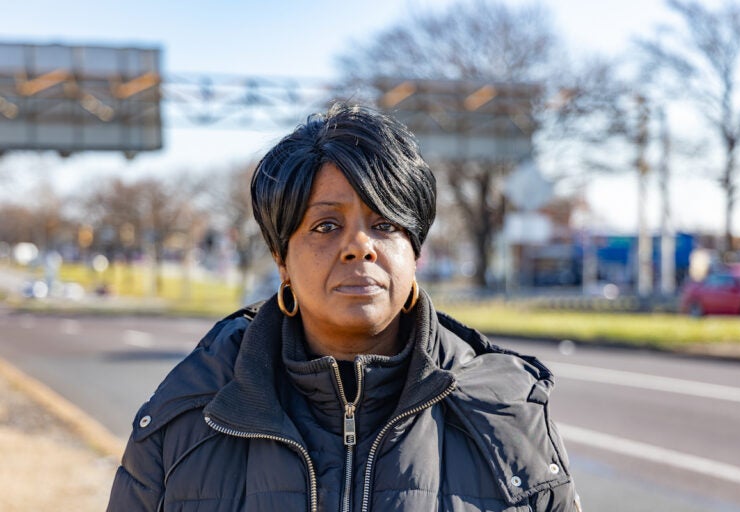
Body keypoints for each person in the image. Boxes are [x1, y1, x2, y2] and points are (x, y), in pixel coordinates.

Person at [107, 103, 581, 511]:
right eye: (326, 226)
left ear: (415, 252)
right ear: (281, 257)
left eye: (385, 224)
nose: (360, 247)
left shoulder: (509, 415)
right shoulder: (188, 415)